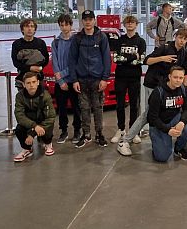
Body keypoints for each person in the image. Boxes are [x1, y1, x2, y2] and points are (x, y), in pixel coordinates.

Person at [117, 28, 187, 156]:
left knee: (170, 111)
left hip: (169, 87)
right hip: (153, 84)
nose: (181, 41)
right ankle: (125, 141)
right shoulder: (164, 47)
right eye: (180, 37)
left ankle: (164, 137)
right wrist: (162, 58)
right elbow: (146, 60)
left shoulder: (184, 53)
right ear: (175, 37)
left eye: (184, 39)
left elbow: (185, 71)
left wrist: (184, 87)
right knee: (148, 114)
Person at [68, 10, 111, 149]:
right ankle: (86, 134)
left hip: (97, 80)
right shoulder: (77, 38)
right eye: (85, 19)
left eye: (90, 19)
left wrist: (104, 78)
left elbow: (106, 58)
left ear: (94, 21)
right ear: (82, 21)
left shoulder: (101, 37)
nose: (88, 22)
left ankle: (99, 134)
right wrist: (74, 80)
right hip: (81, 80)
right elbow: (72, 60)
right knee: (84, 108)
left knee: (98, 108)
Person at [111, 15, 146, 144]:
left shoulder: (141, 41)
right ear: (124, 25)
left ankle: (133, 131)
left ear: (136, 25)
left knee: (134, 105)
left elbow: (141, 60)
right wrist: (133, 57)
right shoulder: (119, 40)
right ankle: (120, 129)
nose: (130, 24)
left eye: (132, 22)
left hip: (134, 77)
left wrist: (125, 59)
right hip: (120, 77)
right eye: (127, 22)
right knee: (120, 105)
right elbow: (116, 59)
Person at [147, 66, 187, 162]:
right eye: (175, 77)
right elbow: (152, 118)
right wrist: (167, 130)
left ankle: (179, 148)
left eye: (181, 78)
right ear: (169, 76)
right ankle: (157, 144)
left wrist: (182, 122)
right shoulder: (158, 92)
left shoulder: (184, 89)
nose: (178, 80)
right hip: (159, 123)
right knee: (162, 157)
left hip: (174, 118)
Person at [51, 14, 81, 145]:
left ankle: (77, 130)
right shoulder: (56, 42)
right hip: (61, 82)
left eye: (66, 24)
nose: (64, 27)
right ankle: (63, 131)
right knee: (61, 109)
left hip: (74, 80)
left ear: (71, 25)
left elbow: (76, 61)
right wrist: (60, 81)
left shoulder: (76, 41)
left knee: (76, 108)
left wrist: (61, 74)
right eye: (61, 25)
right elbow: (54, 61)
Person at [13, 72, 56, 162]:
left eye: (33, 82)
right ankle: (27, 149)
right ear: (24, 84)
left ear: (38, 82)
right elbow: (19, 115)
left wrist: (32, 134)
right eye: (28, 83)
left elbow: (51, 117)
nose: (31, 85)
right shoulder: (20, 96)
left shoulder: (45, 95)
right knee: (19, 129)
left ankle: (48, 143)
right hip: (30, 121)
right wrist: (34, 126)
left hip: (42, 120)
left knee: (48, 126)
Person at [11, 18, 49, 92]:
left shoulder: (41, 43)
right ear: (22, 29)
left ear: (35, 29)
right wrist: (30, 68)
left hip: (38, 78)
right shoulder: (16, 44)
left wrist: (40, 68)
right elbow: (15, 63)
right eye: (27, 26)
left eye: (32, 26)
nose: (29, 29)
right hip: (22, 80)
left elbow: (46, 60)